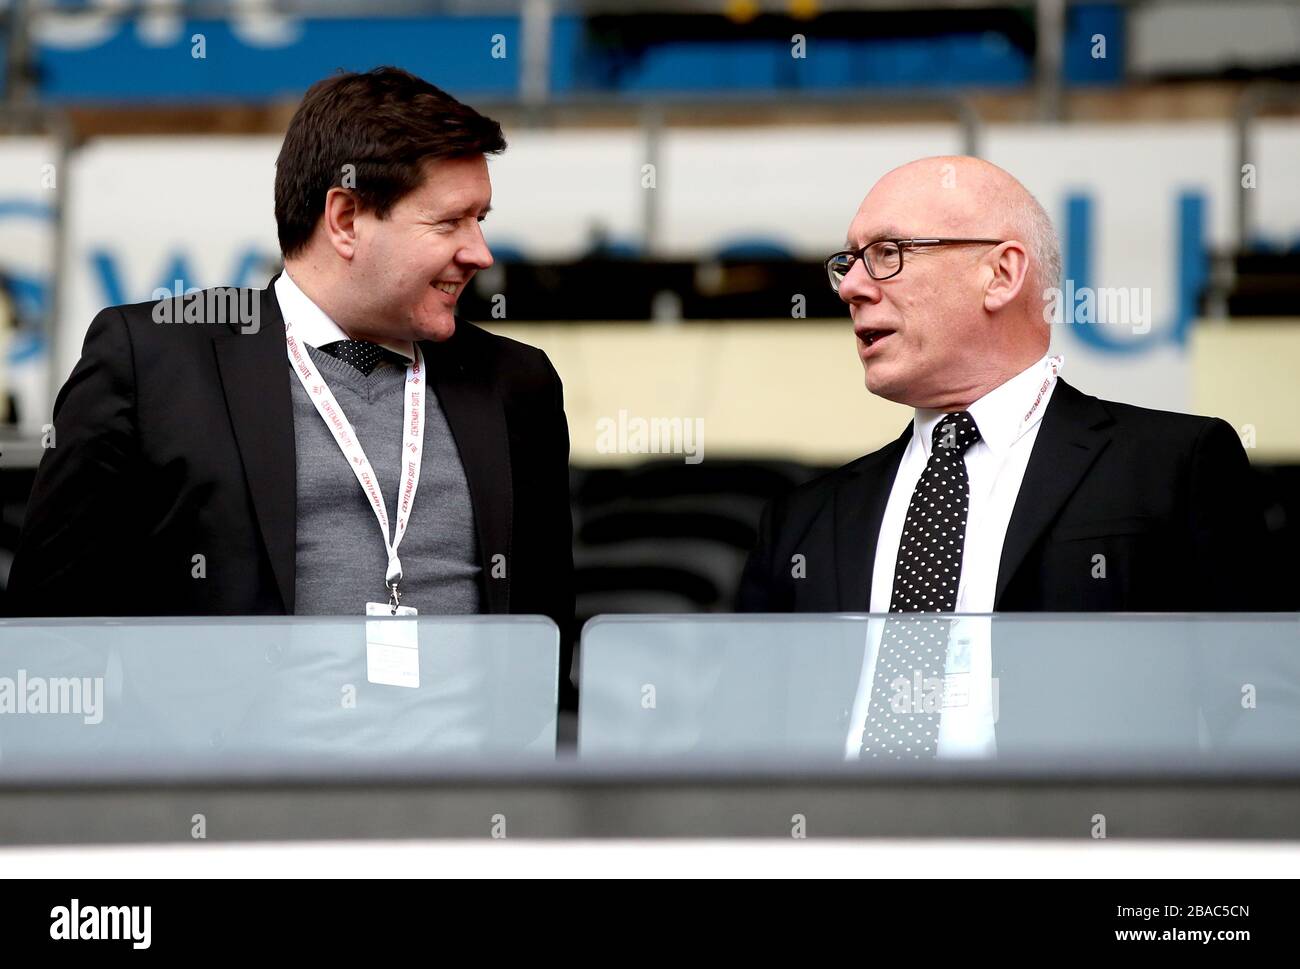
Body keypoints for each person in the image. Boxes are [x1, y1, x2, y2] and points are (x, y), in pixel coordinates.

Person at [9, 68, 574, 682]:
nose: (480, 252)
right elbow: (49, 634)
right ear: (346, 219)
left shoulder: (518, 383)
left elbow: (546, 638)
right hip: (238, 776)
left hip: (471, 777)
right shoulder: (152, 365)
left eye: (481, 218)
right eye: (449, 223)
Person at [738, 155, 1273, 619]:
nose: (851, 287)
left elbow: (1257, 703)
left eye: (886, 254)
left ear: (1000, 274)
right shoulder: (800, 520)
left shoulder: (1171, 466)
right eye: (848, 263)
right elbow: (745, 727)